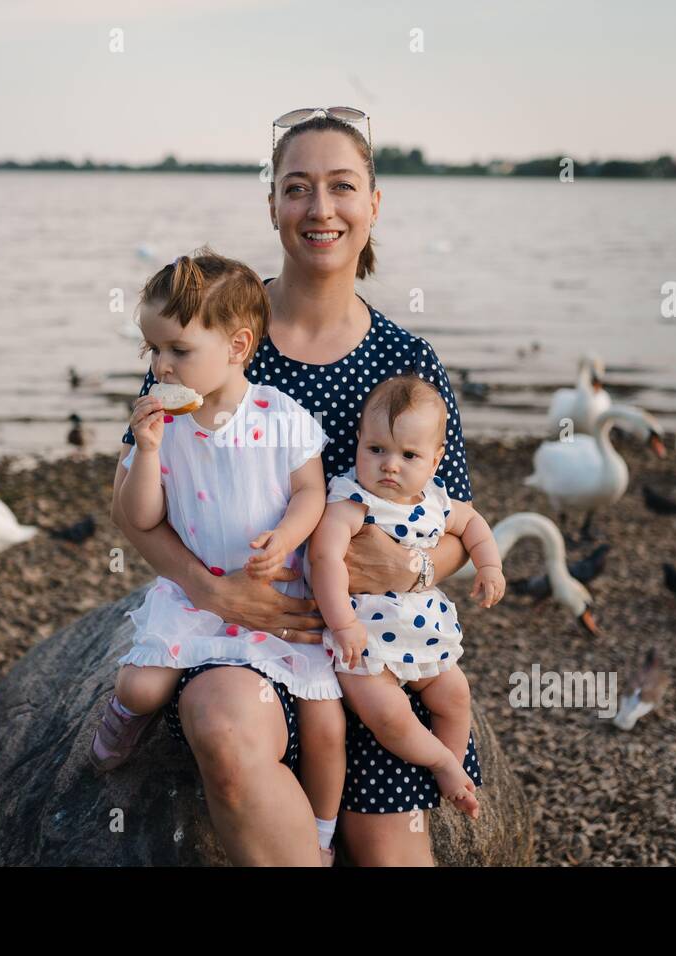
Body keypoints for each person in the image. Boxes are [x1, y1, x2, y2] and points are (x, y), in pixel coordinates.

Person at [112, 107, 481, 865]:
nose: (320, 209)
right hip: (250, 638)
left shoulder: (408, 362)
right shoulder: (207, 335)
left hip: (369, 651)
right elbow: (138, 511)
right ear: (273, 204)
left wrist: (410, 568)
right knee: (222, 722)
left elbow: (454, 528)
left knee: (391, 855)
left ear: (373, 205)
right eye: (297, 187)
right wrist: (211, 592)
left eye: (342, 187)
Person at [91, 247, 348, 865]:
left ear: (236, 347)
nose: (160, 367)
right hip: (196, 597)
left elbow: (311, 492)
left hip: (274, 603)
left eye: (178, 351)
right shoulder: (166, 425)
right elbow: (141, 515)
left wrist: (285, 538)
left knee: (325, 723)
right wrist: (147, 449)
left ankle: (320, 832)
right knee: (143, 685)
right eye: (152, 351)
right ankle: (116, 726)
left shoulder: (281, 417)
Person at [307, 373, 506, 820]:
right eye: (376, 449)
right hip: (366, 643)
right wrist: (342, 624)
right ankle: (439, 762)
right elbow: (325, 560)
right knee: (389, 714)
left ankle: (451, 766)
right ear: (359, 442)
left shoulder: (436, 500)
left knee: (455, 695)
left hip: (424, 635)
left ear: (435, 461)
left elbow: (473, 525)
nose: (389, 465)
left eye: (408, 455)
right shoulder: (350, 500)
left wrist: (489, 565)